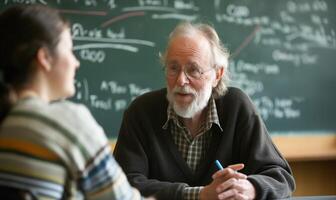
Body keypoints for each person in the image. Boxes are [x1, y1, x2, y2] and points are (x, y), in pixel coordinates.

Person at [114, 21, 295, 200]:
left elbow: (281, 178)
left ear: (217, 75)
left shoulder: (236, 107)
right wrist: (199, 194)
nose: (181, 81)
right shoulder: (141, 112)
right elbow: (122, 186)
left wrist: (251, 188)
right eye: (173, 68)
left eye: (194, 70)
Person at [0, 4, 145, 200]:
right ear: (44, 58)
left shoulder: (8, 120)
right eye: (70, 50)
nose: (76, 62)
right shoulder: (66, 121)